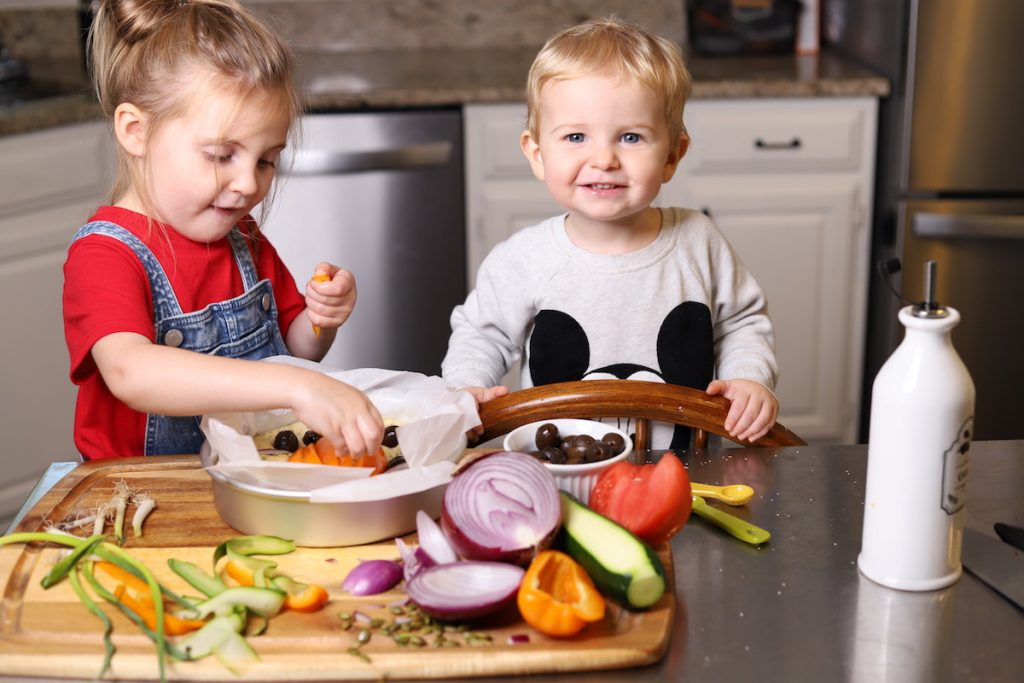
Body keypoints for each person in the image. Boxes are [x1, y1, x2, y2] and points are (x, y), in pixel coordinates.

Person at [63, 0, 383, 460]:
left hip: (249, 474)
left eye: (266, 159)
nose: (249, 183)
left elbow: (296, 347)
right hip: (152, 494)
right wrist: (297, 387)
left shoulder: (242, 238)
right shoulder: (105, 255)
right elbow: (132, 372)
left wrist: (320, 318)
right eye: (220, 155)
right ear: (136, 131)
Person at [441, 17, 779, 449]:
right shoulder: (523, 260)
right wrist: (465, 388)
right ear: (538, 153)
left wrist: (749, 378)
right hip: (561, 474)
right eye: (576, 136)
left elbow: (741, 322)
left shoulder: (700, 242)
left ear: (673, 155)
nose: (603, 159)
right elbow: (481, 334)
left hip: (687, 476)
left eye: (631, 137)